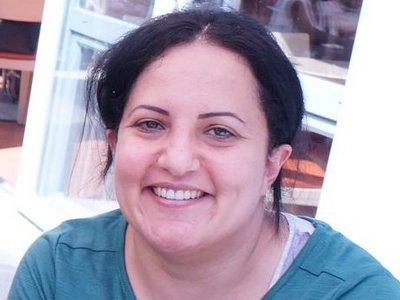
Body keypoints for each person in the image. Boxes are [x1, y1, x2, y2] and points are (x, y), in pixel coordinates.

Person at [8, 6, 400, 299]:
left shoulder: (354, 293)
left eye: (219, 131)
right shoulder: (59, 271)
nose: (177, 161)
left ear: (272, 164)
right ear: (115, 143)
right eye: (150, 124)